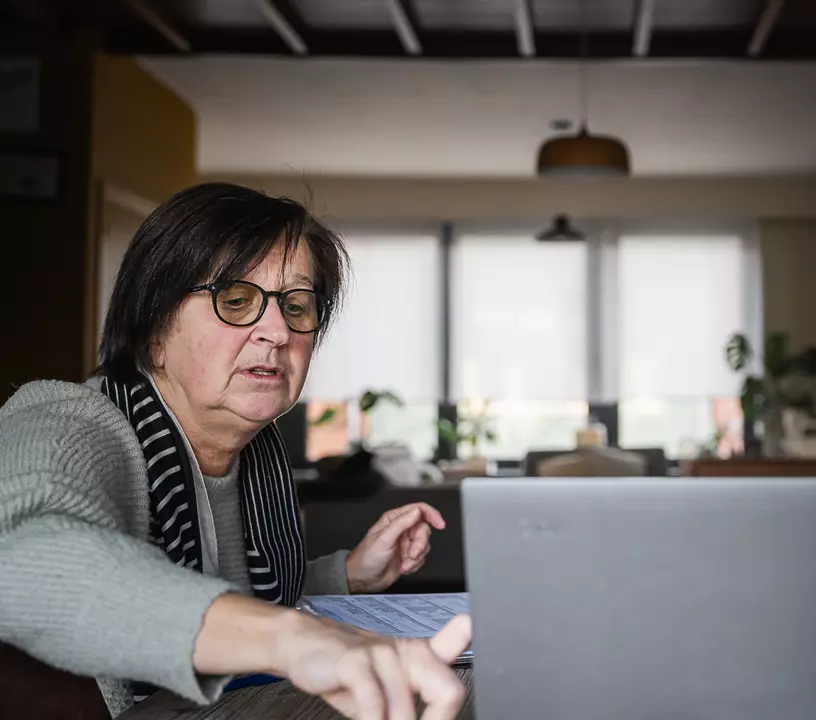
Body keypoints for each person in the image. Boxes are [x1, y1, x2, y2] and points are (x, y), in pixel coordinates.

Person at [0, 182, 470, 719]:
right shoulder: (70, 422)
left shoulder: (256, 454)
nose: (276, 331)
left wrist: (348, 575)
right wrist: (295, 639)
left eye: (296, 305)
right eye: (236, 300)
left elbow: (228, 591)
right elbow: (25, 560)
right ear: (155, 326)